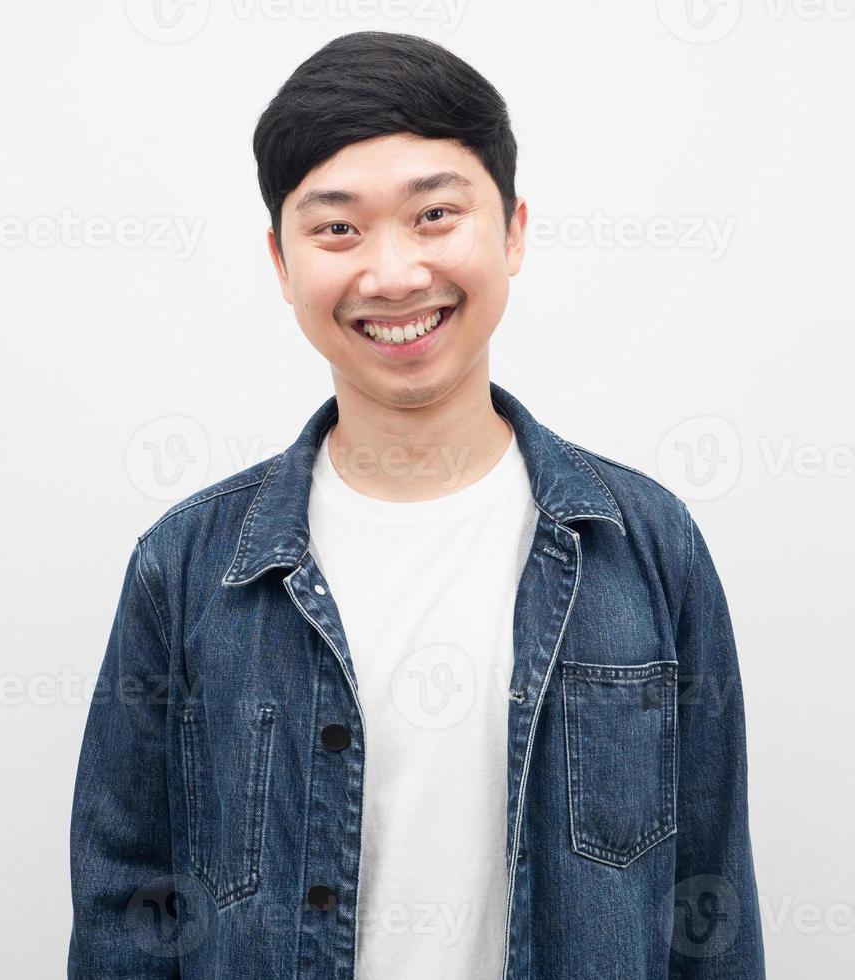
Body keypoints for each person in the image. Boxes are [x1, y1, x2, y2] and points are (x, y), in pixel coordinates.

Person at [68, 30, 765, 980]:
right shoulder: (186, 566)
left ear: (513, 230)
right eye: (338, 228)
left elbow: (709, 901)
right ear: (280, 262)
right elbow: (127, 911)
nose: (392, 274)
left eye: (435, 214)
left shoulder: (644, 546)